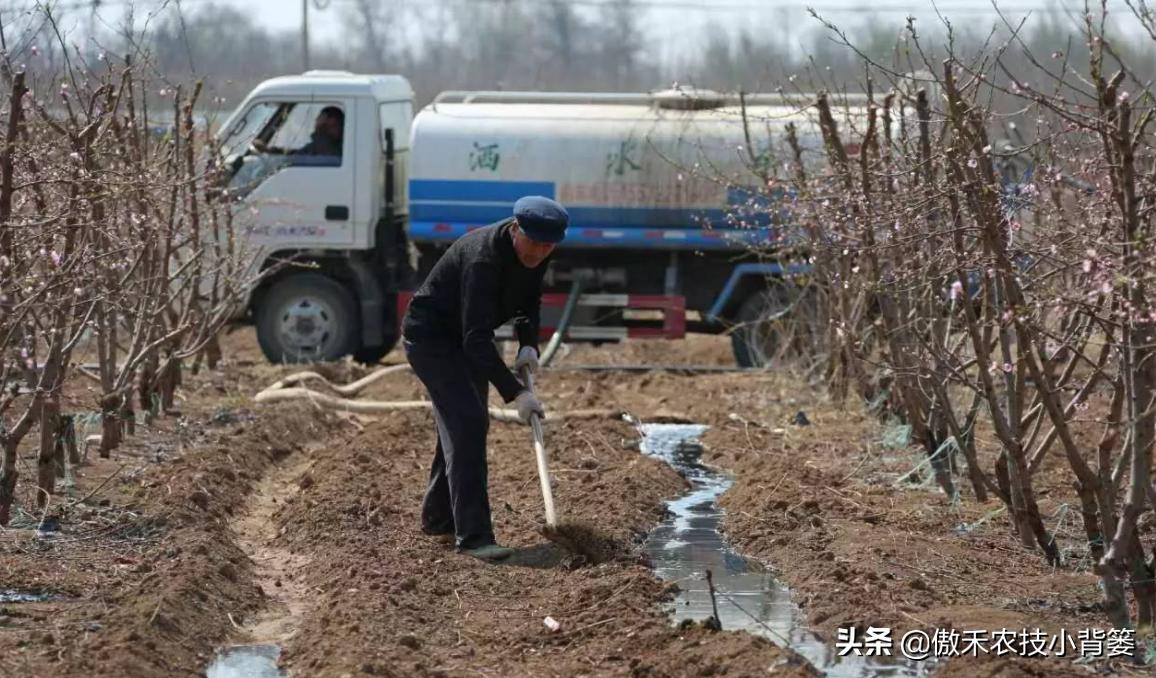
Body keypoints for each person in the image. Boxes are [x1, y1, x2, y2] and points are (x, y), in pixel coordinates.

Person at [402, 196, 568, 562]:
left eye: (548, 246)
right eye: (534, 243)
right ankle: (475, 538)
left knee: (462, 424)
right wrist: (516, 392)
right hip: (431, 339)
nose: (539, 253)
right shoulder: (483, 259)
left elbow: (530, 301)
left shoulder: (538, 252)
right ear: (515, 229)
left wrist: (528, 345)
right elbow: (476, 339)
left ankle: (438, 517)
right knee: (469, 422)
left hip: (465, 341)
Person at [253, 106, 344, 158]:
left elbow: (326, 155)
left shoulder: (333, 148)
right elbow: (299, 155)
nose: (316, 120)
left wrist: (319, 130)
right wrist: (272, 151)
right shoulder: (319, 144)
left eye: (320, 118)